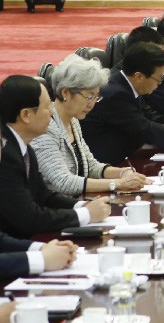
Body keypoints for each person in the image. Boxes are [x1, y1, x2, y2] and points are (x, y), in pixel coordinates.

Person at [0, 75, 112, 236]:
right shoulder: (5, 154)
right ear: (26, 115)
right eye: (47, 107)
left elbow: (43, 195)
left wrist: (82, 206)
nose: (52, 112)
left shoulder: (23, 147)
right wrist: (86, 215)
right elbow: (28, 218)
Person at [31, 55, 148, 197]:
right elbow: (64, 182)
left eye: (96, 97)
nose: (92, 104)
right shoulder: (45, 127)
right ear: (65, 92)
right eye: (89, 96)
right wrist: (118, 183)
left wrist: (123, 173)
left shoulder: (73, 121)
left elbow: (91, 166)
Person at [80, 43, 164, 165]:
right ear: (139, 76)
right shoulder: (116, 93)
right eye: (159, 78)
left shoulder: (126, 85)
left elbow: (145, 121)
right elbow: (142, 128)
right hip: (108, 163)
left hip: (127, 155)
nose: (159, 83)